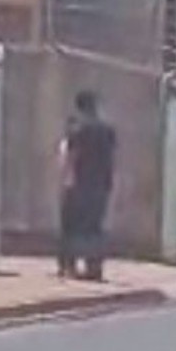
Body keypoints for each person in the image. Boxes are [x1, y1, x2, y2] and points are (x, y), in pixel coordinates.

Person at [56, 88, 118, 282]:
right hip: (100, 186)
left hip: (79, 184)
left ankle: (69, 265)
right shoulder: (107, 131)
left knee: (71, 225)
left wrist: (66, 178)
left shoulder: (77, 129)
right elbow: (111, 160)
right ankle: (94, 267)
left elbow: (70, 156)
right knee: (95, 226)